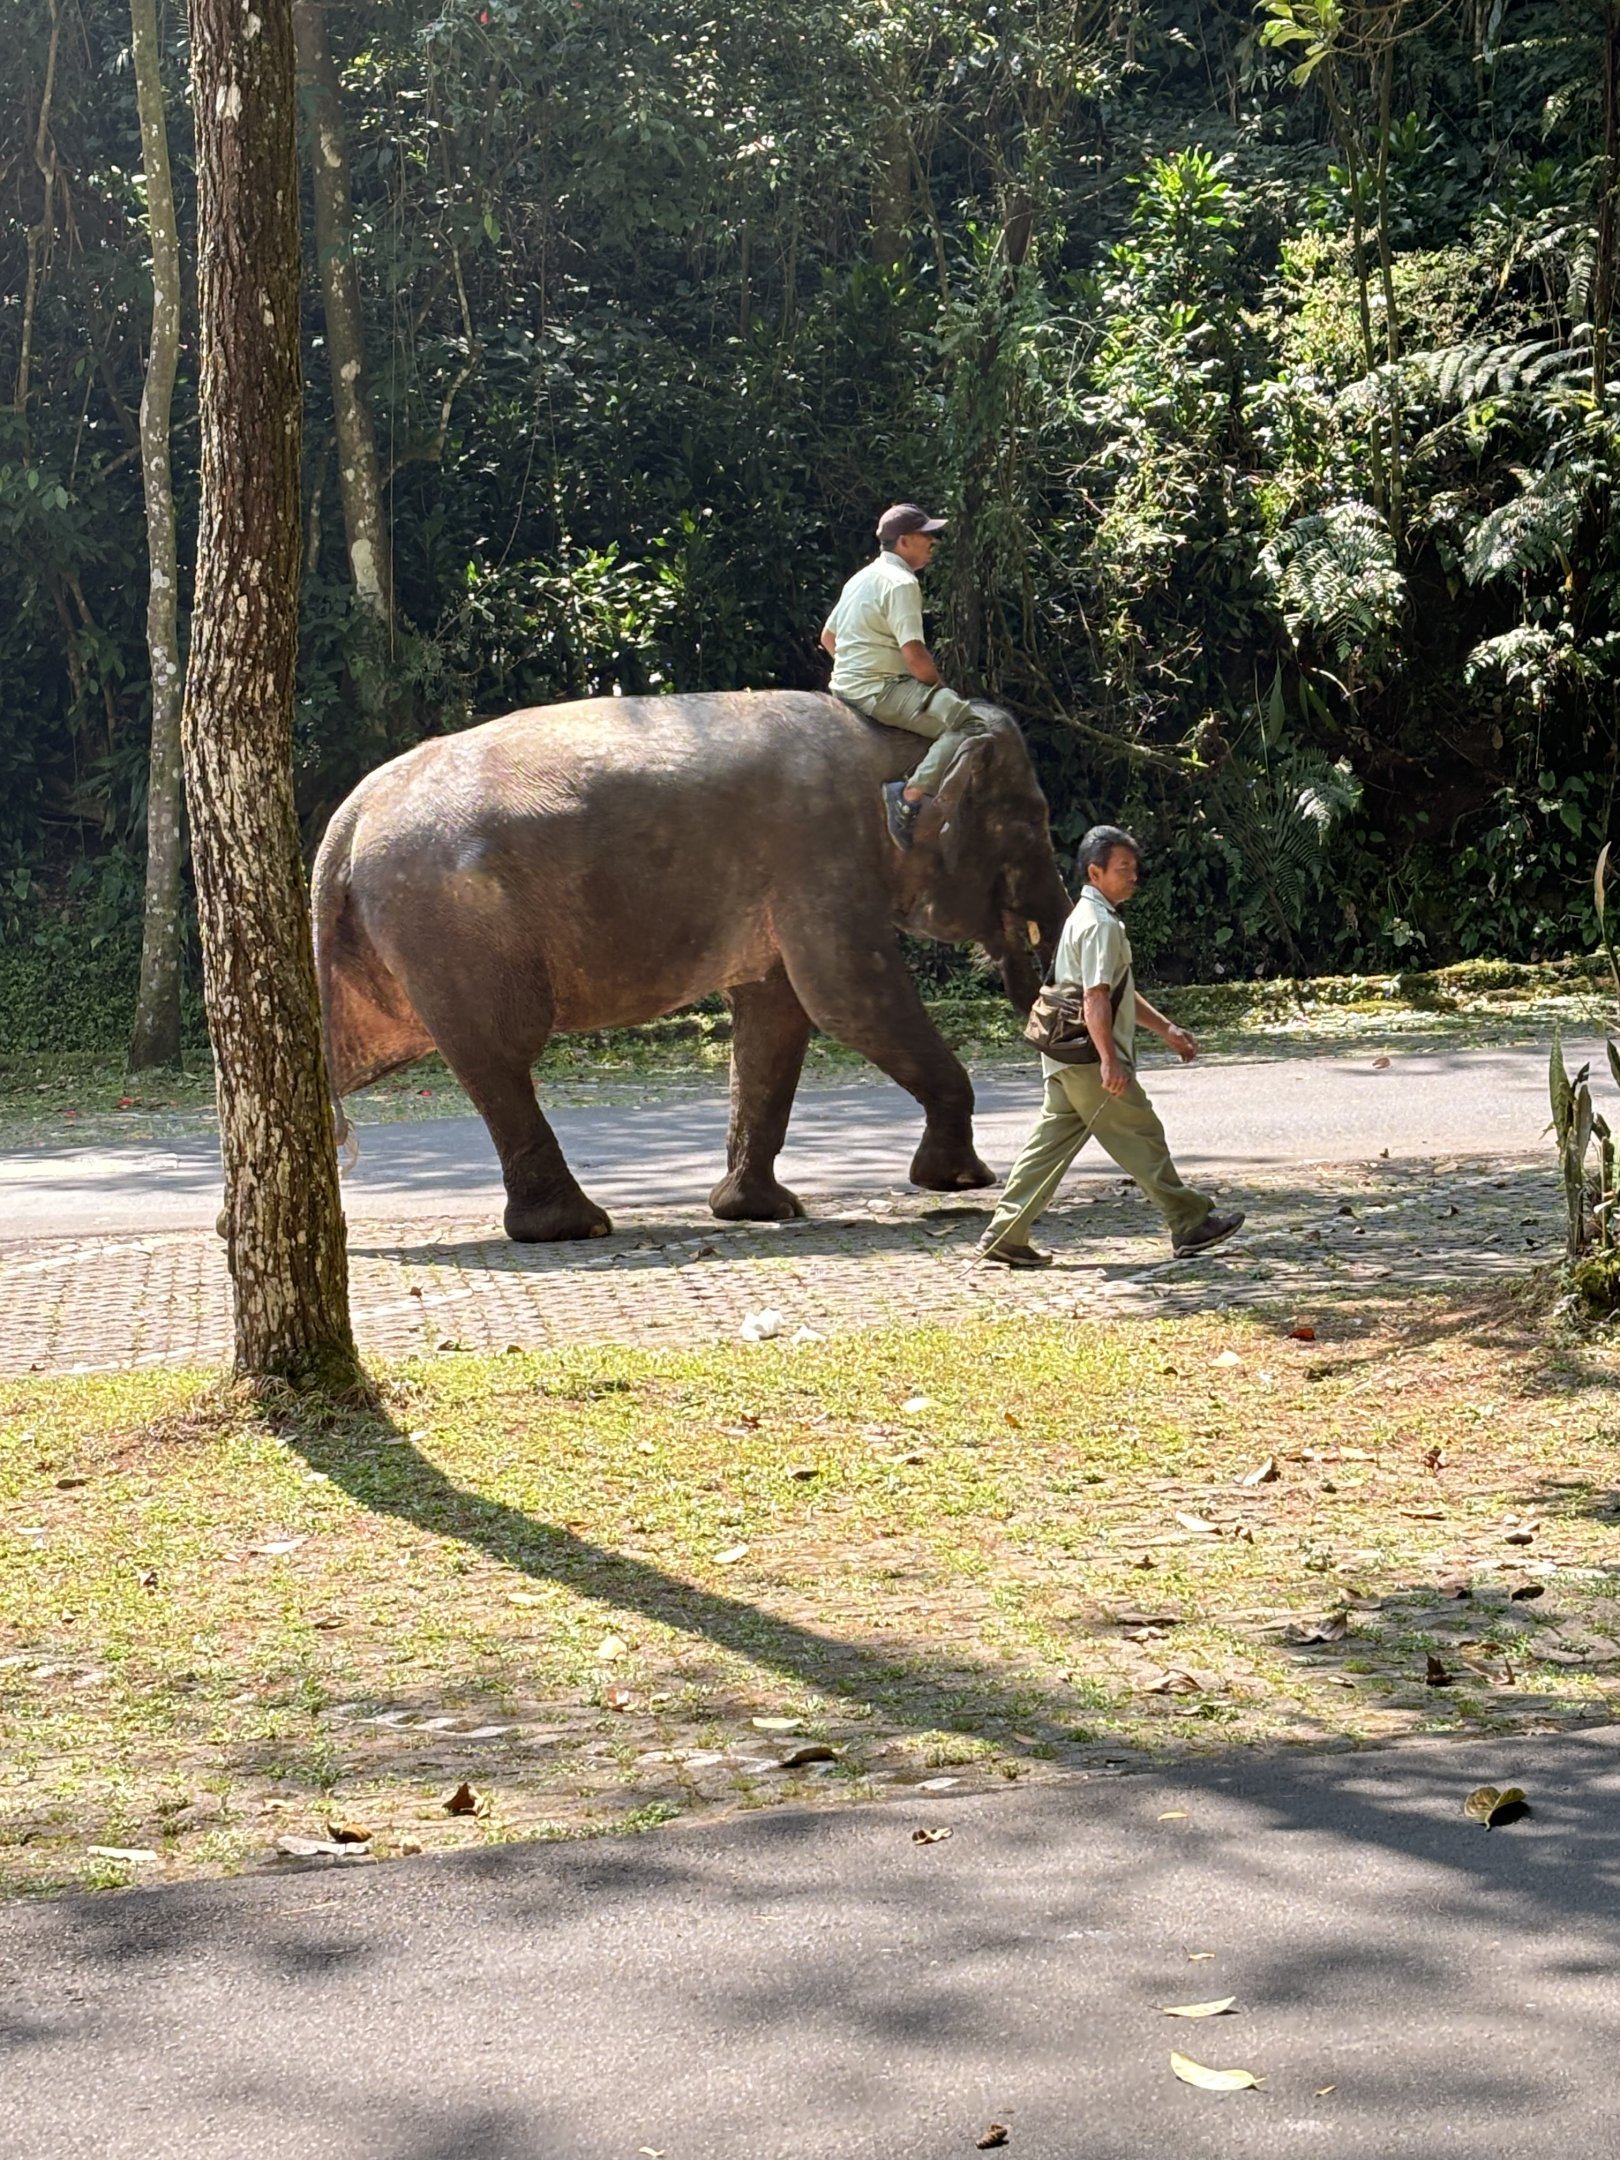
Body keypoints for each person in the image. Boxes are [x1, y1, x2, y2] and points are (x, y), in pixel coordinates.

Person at [977, 824, 1245, 1268]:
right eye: (1123, 869)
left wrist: (1167, 1030)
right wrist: (1109, 1061)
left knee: (1048, 1147)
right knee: (1141, 1134)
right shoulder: (1100, 924)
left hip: (1061, 1055)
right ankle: (1190, 1221)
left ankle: (1006, 1233)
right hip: (1087, 1056)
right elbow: (1095, 998)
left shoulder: (1082, 918)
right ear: (1094, 872)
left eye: (1135, 868)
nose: (1133, 876)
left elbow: (1116, 989)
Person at [820, 503, 997, 849]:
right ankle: (909, 797)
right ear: (903, 542)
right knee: (968, 724)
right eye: (926, 535)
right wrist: (941, 690)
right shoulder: (902, 582)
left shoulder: (861, 578)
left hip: (845, 685)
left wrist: (857, 668)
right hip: (883, 689)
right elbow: (914, 655)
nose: (933, 541)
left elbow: (828, 638)